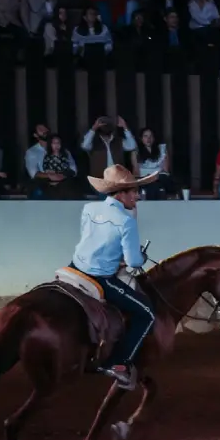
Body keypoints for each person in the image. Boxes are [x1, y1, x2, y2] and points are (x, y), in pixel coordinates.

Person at [71, 165, 157, 388]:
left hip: (74, 268)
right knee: (147, 313)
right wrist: (141, 257)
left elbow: (92, 240)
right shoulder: (126, 221)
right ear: (121, 193)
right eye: (134, 191)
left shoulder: (88, 208)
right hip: (100, 278)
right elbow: (134, 263)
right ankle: (118, 363)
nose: (137, 196)